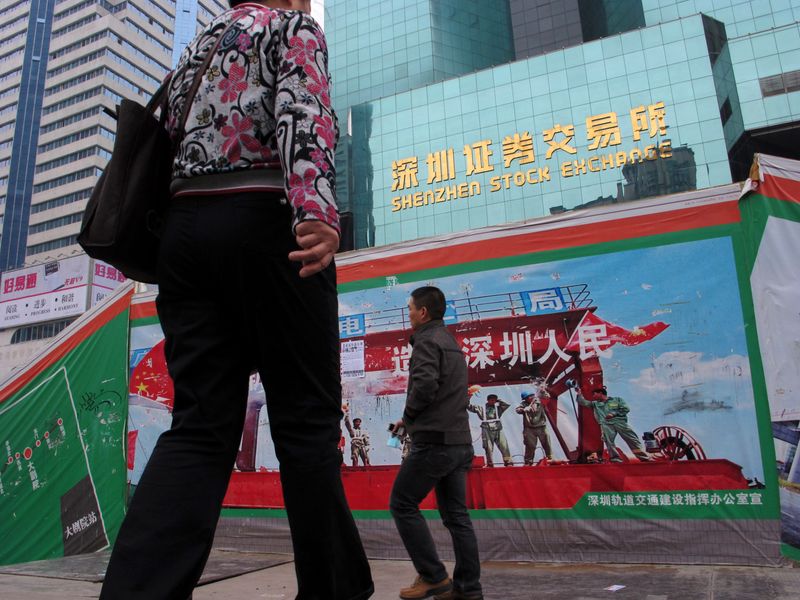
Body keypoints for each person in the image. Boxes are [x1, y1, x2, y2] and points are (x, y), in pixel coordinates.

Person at [100, 2, 373, 598]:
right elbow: (303, 112)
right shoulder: (291, 28)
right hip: (269, 223)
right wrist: (318, 212)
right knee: (305, 425)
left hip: (184, 236)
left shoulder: (193, 56)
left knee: (198, 425)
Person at [389, 286, 483, 600]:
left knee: (402, 504)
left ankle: (433, 576)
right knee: (457, 517)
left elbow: (426, 385)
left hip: (434, 444)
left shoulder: (427, 341)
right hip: (459, 443)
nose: (409, 312)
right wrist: (409, 420)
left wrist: (410, 414)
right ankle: (469, 589)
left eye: (411, 308)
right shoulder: (451, 343)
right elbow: (445, 392)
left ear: (423, 312)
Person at [569, 380, 651, 464]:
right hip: (606, 424)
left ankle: (644, 458)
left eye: (594, 394)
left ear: (600, 393)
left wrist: (614, 414)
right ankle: (615, 459)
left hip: (620, 423)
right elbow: (583, 402)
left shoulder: (617, 400)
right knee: (609, 442)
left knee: (632, 439)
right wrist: (579, 393)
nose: (593, 396)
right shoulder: (595, 404)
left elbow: (625, 409)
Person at [467, 394, 512, 467]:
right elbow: (468, 406)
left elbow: (506, 405)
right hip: (486, 429)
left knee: (504, 445)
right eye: (491, 399)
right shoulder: (481, 408)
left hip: (498, 429)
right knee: (488, 447)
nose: (493, 401)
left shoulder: (498, 408)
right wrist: (468, 397)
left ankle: (508, 462)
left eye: (494, 400)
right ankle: (490, 463)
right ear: (488, 400)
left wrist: (499, 400)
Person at [516, 390, 553, 465]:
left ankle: (550, 459)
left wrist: (543, 391)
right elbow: (518, 410)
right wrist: (524, 410)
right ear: (526, 399)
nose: (532, 397)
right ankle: (528, 462)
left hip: (541, 427)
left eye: (532, 395)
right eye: (530, 396)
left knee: (547, 443)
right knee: (530, 445)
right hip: (529, 429)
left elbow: (547, 398)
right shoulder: (523, 404)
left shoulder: (539, 402)